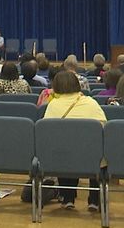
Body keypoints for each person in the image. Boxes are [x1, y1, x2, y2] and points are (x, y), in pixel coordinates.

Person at [43, 71, 106, 211]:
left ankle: (68, 198)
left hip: (63, 157)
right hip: (93, 157)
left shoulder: (53, 105)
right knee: (95, 151)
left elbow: (47, 134)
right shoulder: (91, 102)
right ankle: (94, 200)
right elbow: (104, 128)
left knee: (64, 147)